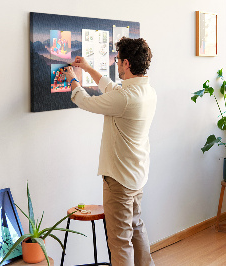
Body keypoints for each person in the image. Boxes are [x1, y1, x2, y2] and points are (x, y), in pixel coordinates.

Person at [61, 37, 156, 266]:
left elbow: (85, 101)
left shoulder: (124, 98)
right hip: (136, 175)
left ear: (126, 64)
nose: (116, 64)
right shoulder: (147, 92)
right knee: (136, 229)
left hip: (119, 179)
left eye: (118, 61)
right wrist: (88, 68)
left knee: (120, 241)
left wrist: (73, 79)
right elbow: (112, 88)